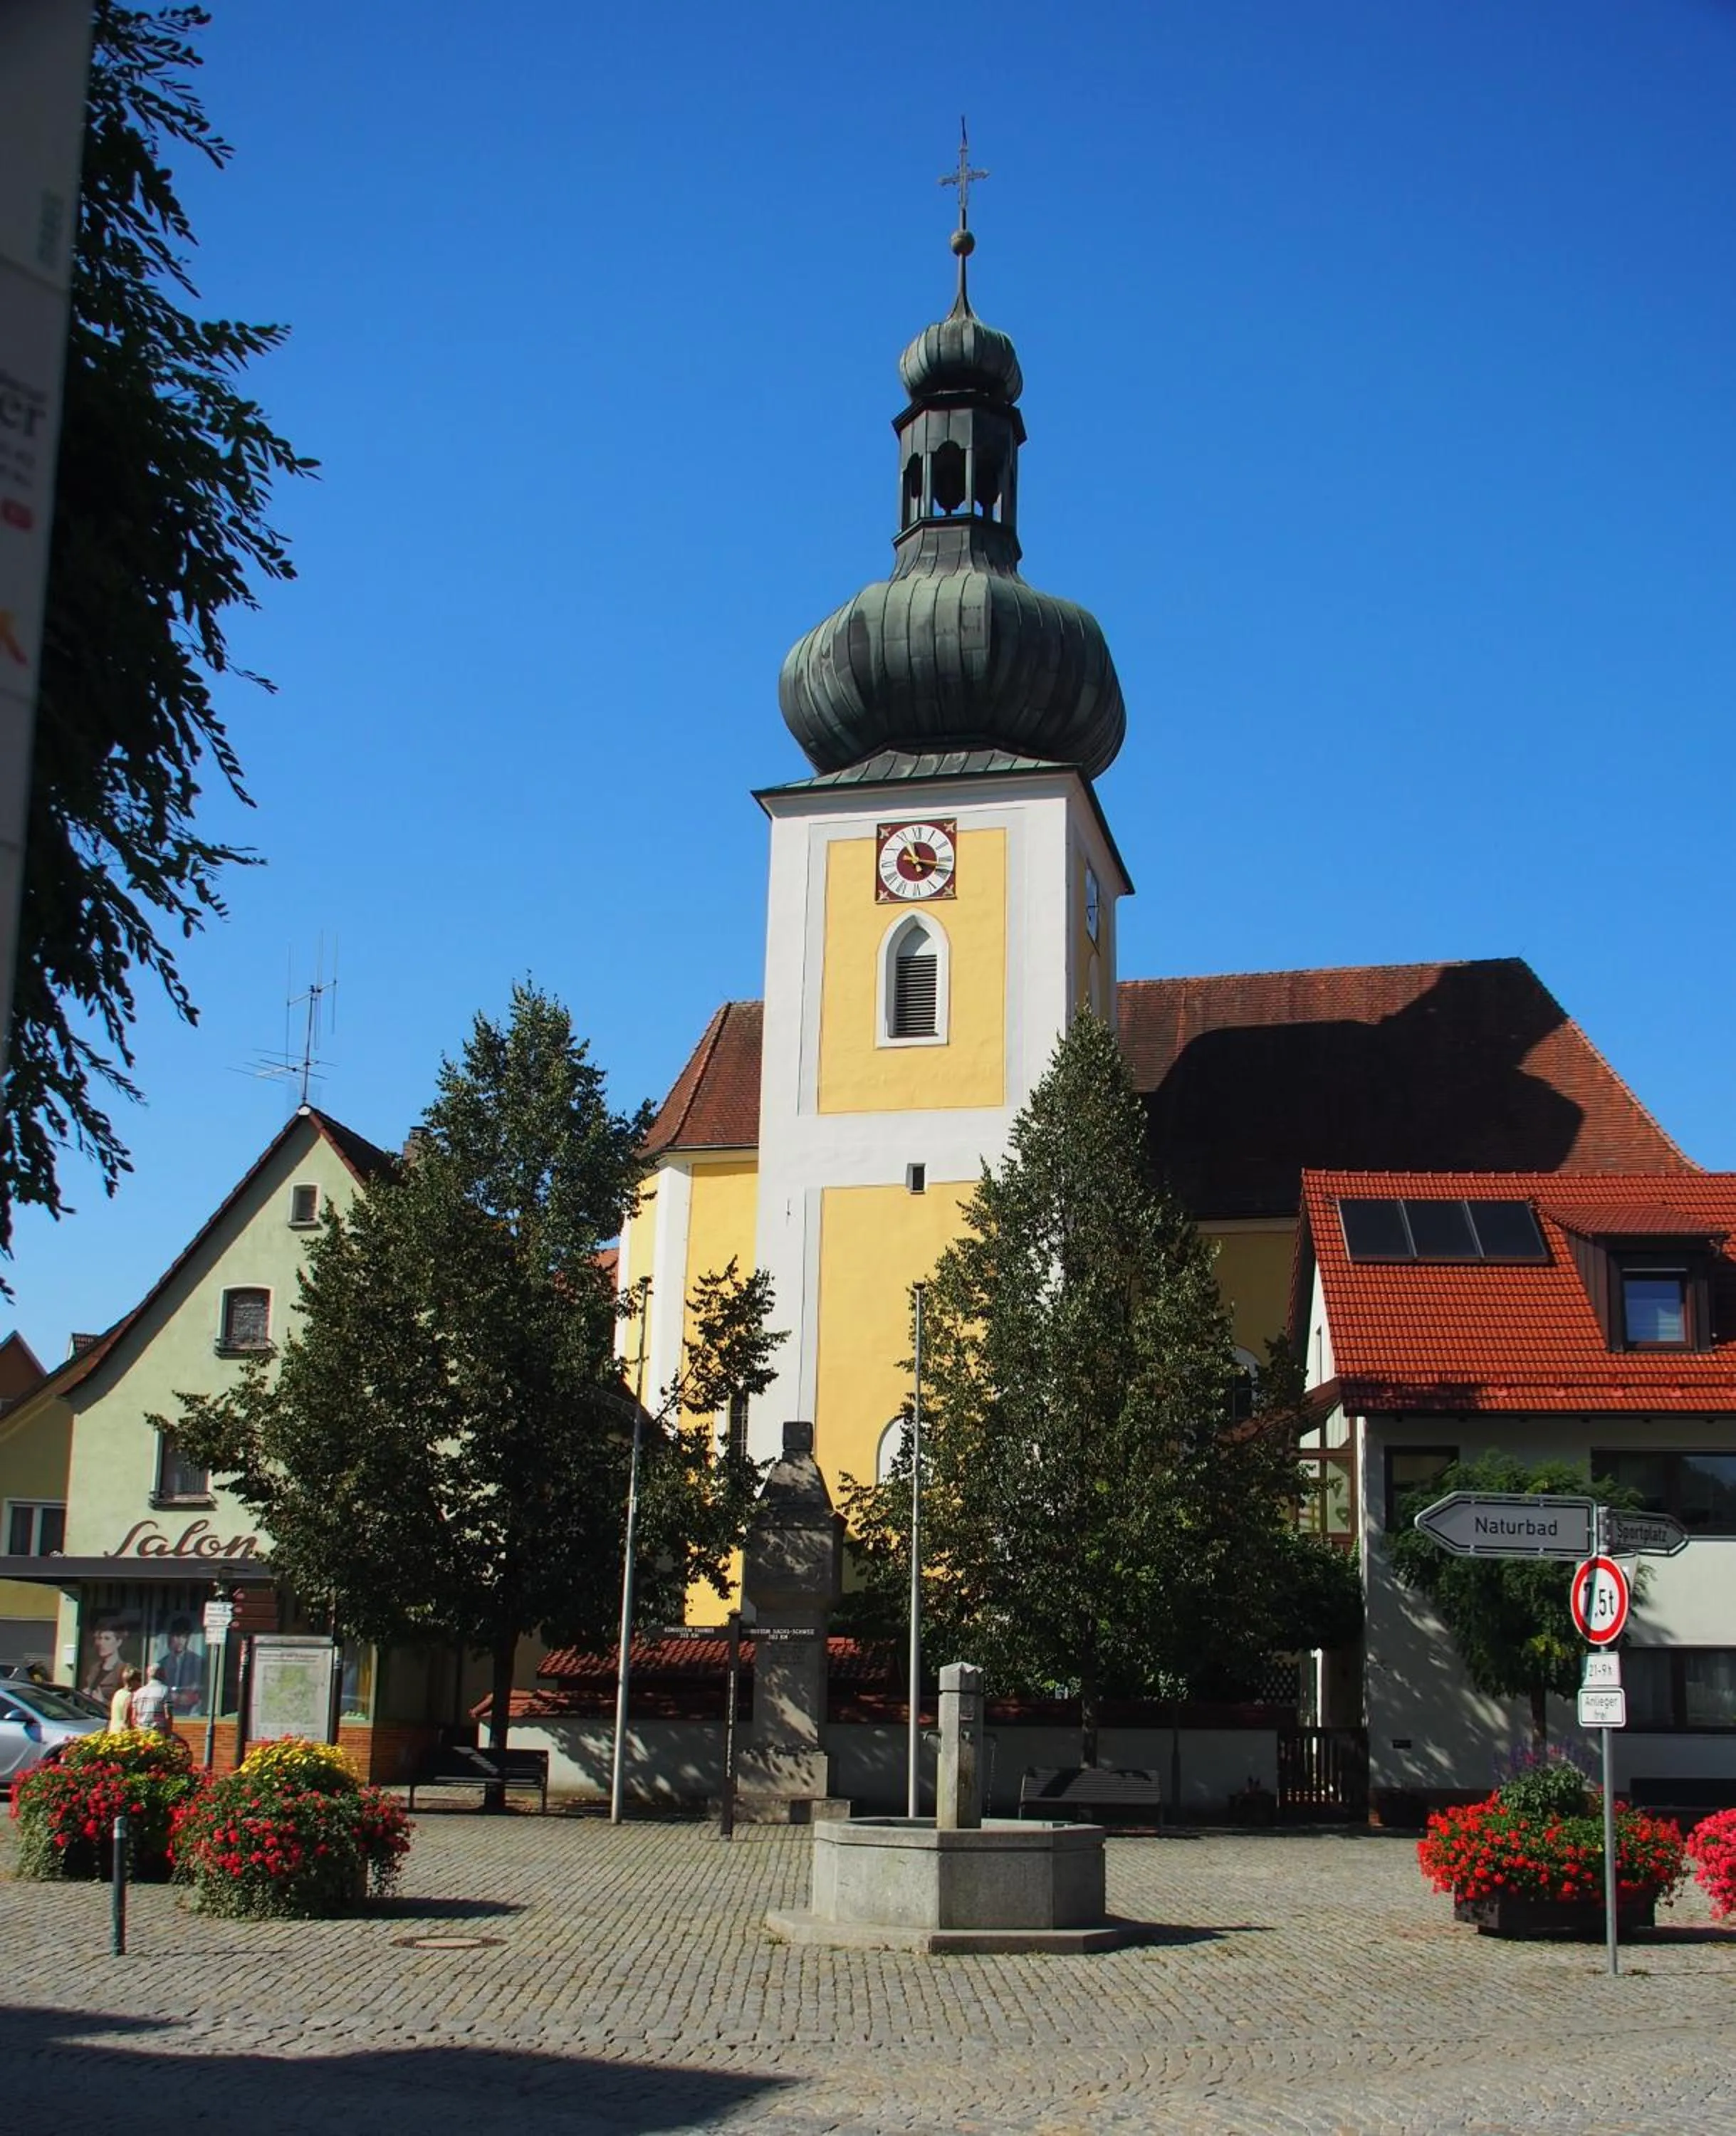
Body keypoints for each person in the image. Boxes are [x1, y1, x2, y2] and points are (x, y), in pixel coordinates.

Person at [157, 1618, 204, 1716]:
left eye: (185, 1637)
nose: (181, 1641)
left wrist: (183, 1698)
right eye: (177, 1636)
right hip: (167, 1710)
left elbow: (200, 1690)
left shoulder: (198, 1661)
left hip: (191, 1712)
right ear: (170, 1637)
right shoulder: (162, 1663)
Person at [130, 1663, 174, 1736]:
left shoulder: (138, 1692)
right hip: (158, 1732)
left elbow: (134, 1717)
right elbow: (168, 1715)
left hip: (141, 1732)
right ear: (162, 1674)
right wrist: (169, 1733)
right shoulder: (165, 1690)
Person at [108, 1664, 141, 1733]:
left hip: (113, 1731)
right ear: (132, 1681)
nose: (140, 1684)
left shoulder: (118, 1693)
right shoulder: (130, 1696)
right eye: (139, 1680)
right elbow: (127, 1719)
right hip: (123, 1733)